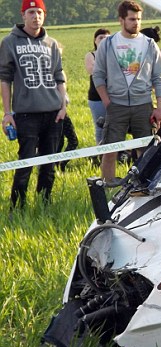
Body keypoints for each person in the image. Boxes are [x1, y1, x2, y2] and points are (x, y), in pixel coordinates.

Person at [0, 0, 66, 209]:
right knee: (26, 162)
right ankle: (17, 207)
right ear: (23, 15)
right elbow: (4, 78)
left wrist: (63, 106)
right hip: (26, 114)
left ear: (44, 15)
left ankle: (45, 203)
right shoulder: (10, 42)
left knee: (49, 165)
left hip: (53, 113)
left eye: (39, 12)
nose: (35, 16)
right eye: (31, 12)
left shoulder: (52, 43)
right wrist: (7, 113)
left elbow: (59, 76)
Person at [92, 0, 161, 182]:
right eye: (132, 19)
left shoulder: (149, 44)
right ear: (121, 20)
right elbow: (98, 75)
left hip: (143, 105)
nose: (136, 23)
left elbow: (159, 76)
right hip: (116, 105)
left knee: (146, 151)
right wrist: (108, 103)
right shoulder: (108, 44)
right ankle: (108, 187)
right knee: (110, 151)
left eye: (139, 19)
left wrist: (160, 106)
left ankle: (144, 187)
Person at [84, 28, 110, 145]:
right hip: (97, 97)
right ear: (95, 40)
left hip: (115, 96)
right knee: (100, 126)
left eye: (107, 38)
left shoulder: (115, 55)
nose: (103, 40)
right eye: (101, 38)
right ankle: (100, 153)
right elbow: (92, 70)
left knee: (117, 127)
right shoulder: (90, 55)